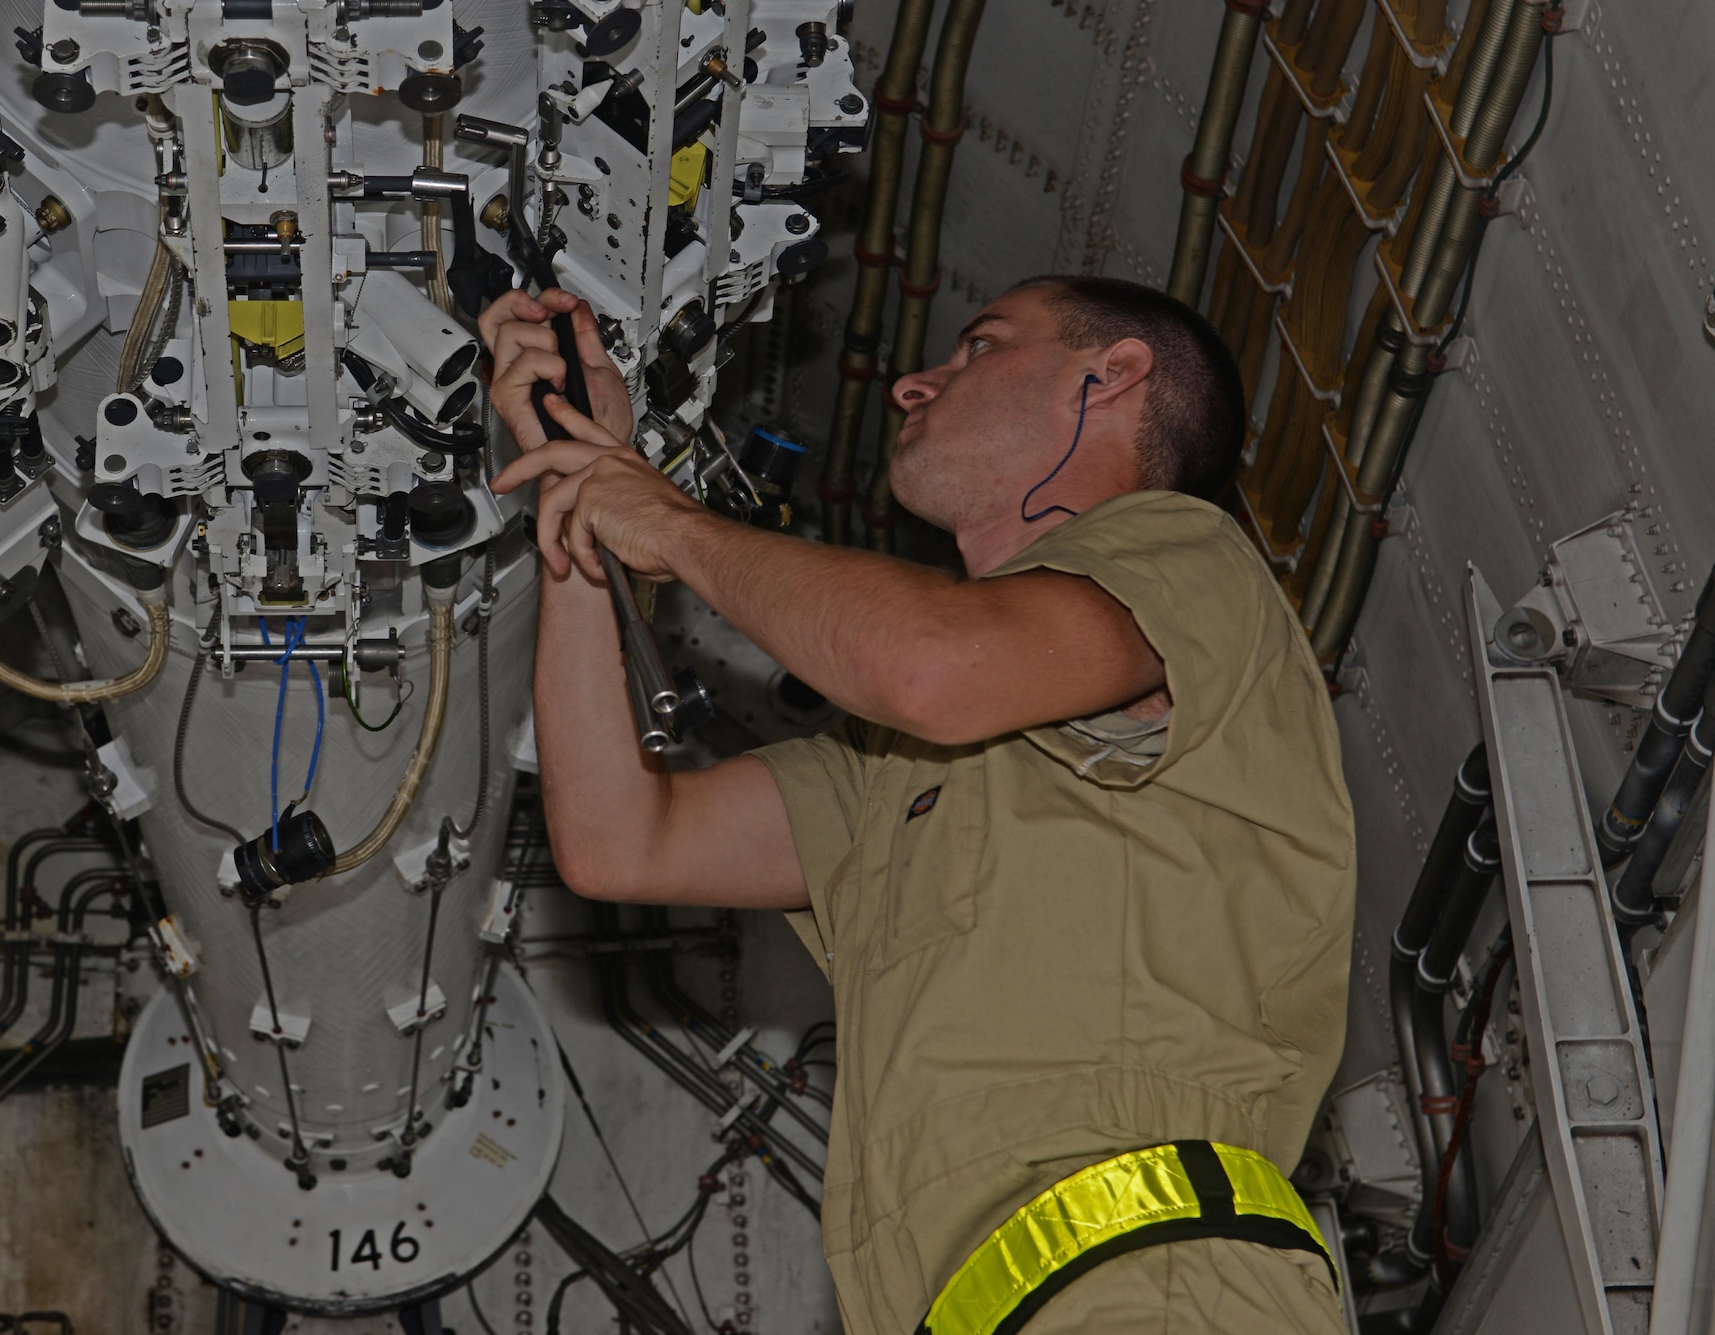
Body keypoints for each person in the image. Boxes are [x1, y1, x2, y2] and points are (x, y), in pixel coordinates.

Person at [478, 274, 1355, 1335]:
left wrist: (668, 519)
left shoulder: (1183, 556)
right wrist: (576, 507)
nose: (909, 383)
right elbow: (623, 842)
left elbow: (935, 670)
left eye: (979, 346)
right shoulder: (886, 769)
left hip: (1151, 1291)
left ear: (1112, 376)